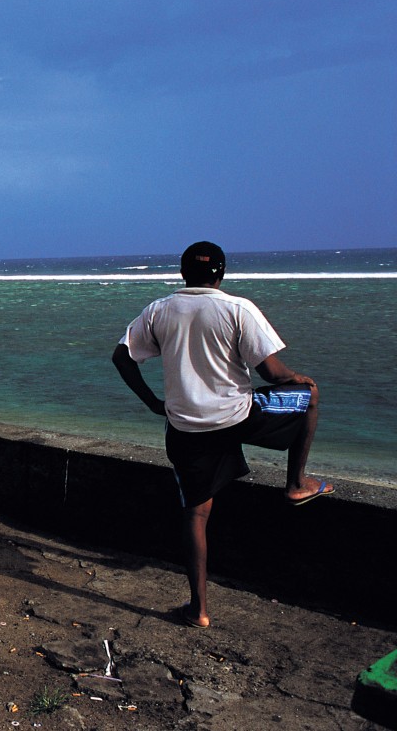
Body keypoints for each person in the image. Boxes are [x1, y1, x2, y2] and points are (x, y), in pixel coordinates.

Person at [111, 241, 333, 629]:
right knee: (309, 395)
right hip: (238, 417)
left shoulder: (159, 310)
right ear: (222, 273)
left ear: (182, 272)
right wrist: (296, 378)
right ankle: (297, 483)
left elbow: (122, 356)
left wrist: (151, 401)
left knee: (196, 514)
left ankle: (199, 610)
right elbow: (272, 373)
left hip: (186, 427)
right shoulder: (237, 308)